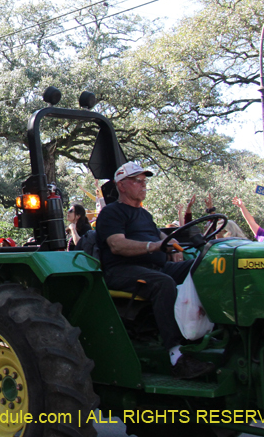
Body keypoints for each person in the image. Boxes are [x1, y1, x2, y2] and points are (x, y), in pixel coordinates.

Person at [95, 162, 215, 380]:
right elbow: (117, 245)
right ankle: (176, 356)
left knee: (205, 266)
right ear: (121, 186)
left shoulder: (144, 214)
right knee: (163, 282)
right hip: (122, 270)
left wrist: (172, 242)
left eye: (144, 181)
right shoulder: (111, 213)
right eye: (137, 181)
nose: (143, 185)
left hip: (155, 266)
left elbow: (159, 235)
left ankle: (213, 332)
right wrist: (156, 247)